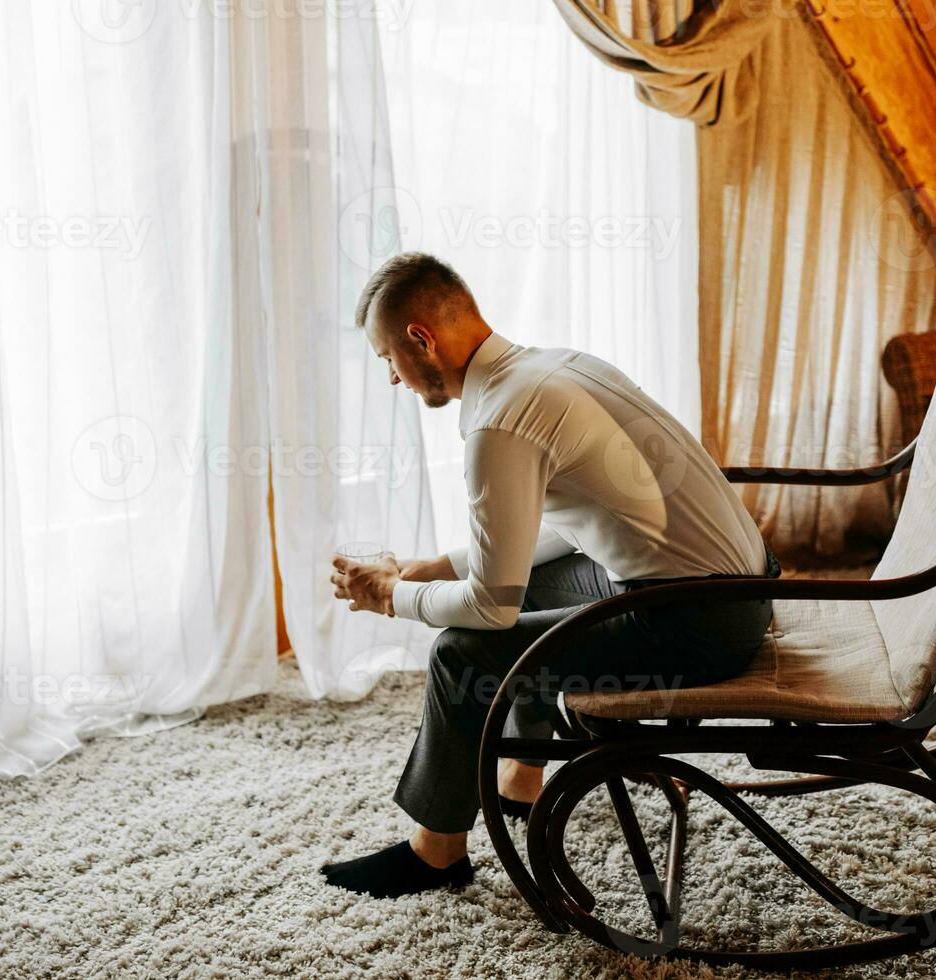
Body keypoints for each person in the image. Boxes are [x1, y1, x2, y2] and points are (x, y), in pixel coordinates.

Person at [323, 252, 777, 899]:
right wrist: (433, 569)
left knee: (461, 652)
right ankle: (522, 778)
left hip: (700, 622)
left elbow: (489, 608)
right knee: (533, 598)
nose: (391, 378)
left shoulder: (498, 418)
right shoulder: (555, 367)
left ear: (420, 340)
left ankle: (436, 854)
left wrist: (392, 595)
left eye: (385, 358)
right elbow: (572, 528)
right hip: (739, 587)